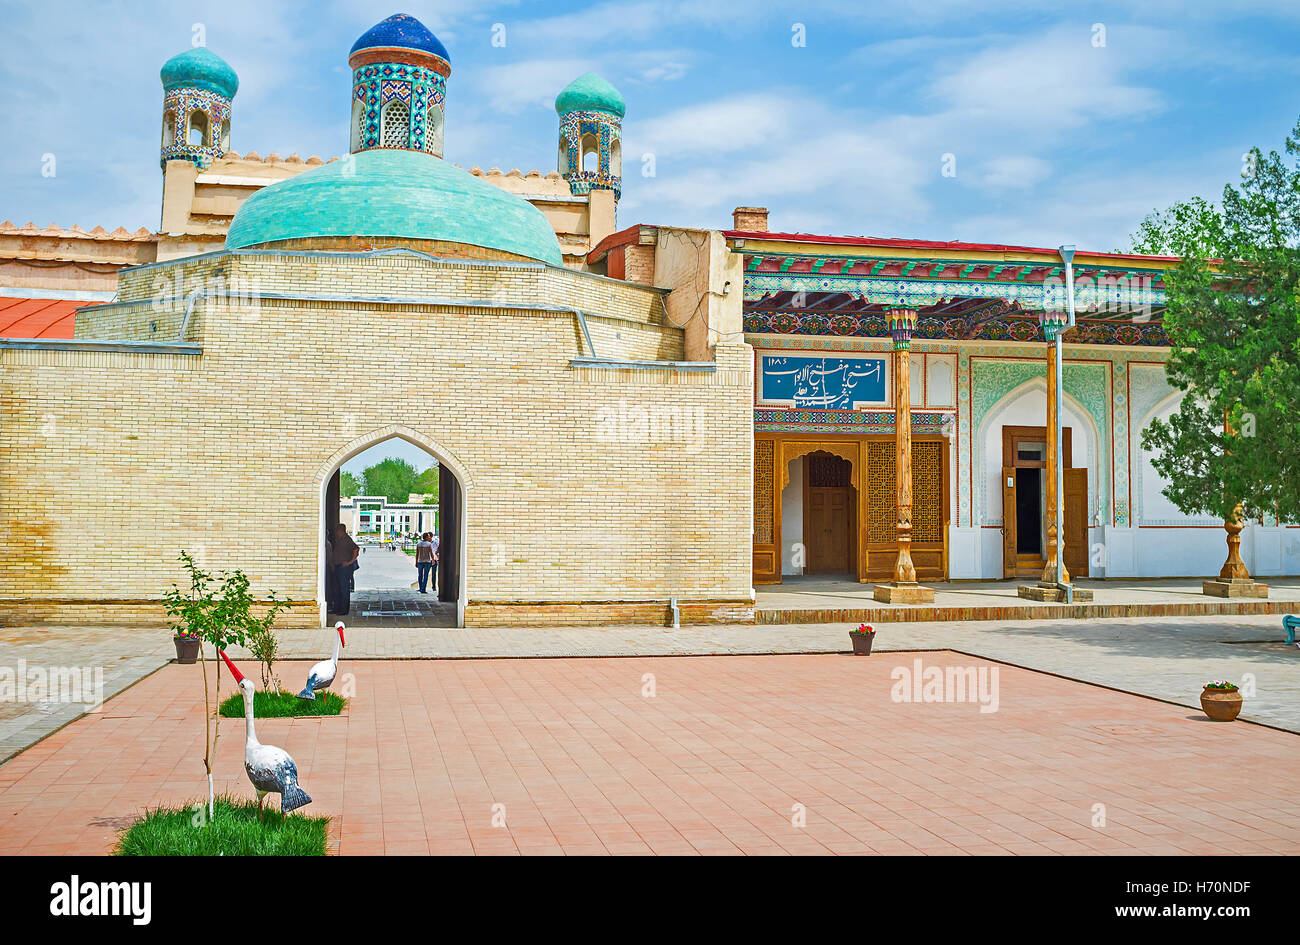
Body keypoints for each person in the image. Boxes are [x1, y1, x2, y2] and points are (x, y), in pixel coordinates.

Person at [330, 522, 360, 615]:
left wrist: (350, 562)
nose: (336, 532)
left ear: (340, 531)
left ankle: (343, 610)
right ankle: (337, 608)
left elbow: (356, 549)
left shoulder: (347, 540)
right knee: (337, 589)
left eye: (337, 530)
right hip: (337, 567)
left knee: (344, 589)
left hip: (344, 568)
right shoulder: (339, 539)